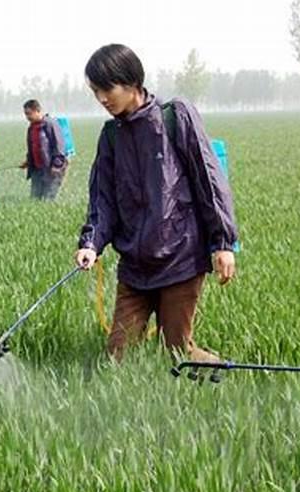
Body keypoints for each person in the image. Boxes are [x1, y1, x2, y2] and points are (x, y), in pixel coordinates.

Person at [74, 44, 238, 363]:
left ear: (132, 81)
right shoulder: (110, 136)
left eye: (107, 89)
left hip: (180, 257)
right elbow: (102, 199)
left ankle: (219, 374)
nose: (102, 99)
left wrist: (222, 242)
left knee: (176, 351)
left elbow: (209, 180)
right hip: (135, 266)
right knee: (116, 358)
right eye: (95, 92)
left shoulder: (174, 116)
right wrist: (91, 243)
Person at [20, 99, 68, 200]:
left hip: (51, 169)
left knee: (48, 199)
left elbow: (59, 146)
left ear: (37, 110)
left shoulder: (50, 124)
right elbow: (32, 147)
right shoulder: (31, 127)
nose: (27, 117)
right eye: (26, 114)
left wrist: (57, 166)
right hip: (37, 169)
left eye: (29, 114)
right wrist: (28, 161)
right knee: (34, 199)